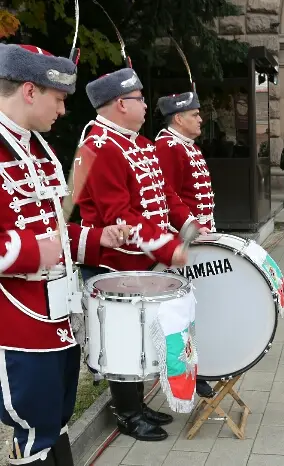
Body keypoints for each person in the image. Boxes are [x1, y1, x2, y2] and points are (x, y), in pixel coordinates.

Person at [0, 43, 130, 466]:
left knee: (56, 422)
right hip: (16, 323)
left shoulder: (41, 150)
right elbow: (39, 244)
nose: (62, 111)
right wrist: (33, 252)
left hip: (59, 315)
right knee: (33, 427)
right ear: (30, 91)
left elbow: (55, 231)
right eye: (58, 99)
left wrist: (97, 240)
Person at [73, 66, 204, 442]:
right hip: (114, 264)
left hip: (142, 260)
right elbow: (121, 216)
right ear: (119, 103)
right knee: (122, 341)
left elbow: (165, 199)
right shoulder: (99, 146)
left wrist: (190, 227)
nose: (146, 105)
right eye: (140, 99)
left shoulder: (138, 144)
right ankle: (126, 413)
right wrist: (167, 246)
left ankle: (138, 404)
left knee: (142, 337)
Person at [154, 91, 217, 399]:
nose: (201, 118)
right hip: (183, 239)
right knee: (184, 311)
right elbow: (166, 201)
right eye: (195, 114)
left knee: (197, 307)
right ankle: (190, 371)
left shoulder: (184, 145)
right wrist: (190, 230)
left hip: (198, 234)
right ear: (179, 118)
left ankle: (198, 368)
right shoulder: (167, 147)